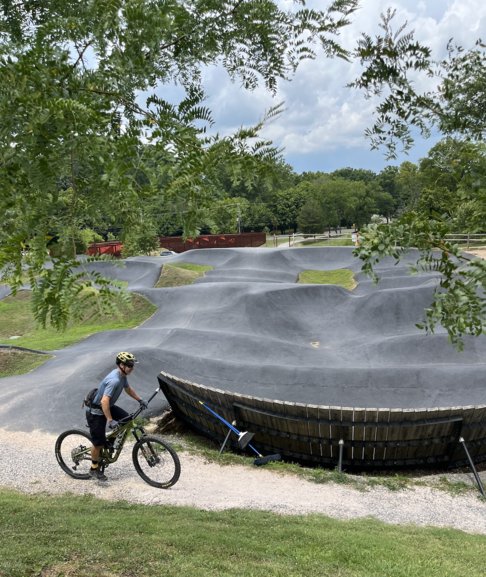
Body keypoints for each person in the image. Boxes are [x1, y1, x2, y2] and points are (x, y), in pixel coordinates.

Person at [86, 351, 148, 481]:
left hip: (107, 407)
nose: (132, 368)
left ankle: (110, 440)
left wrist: (140, 399)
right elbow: (104, 401)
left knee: (127, 419)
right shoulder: (114, 380)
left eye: (132, 365)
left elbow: (128, 389)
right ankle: (93, 468)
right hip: (97, 411)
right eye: (130, 365)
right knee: (98, 444)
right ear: (121, 365)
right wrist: (109, 420)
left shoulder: (122, 376)